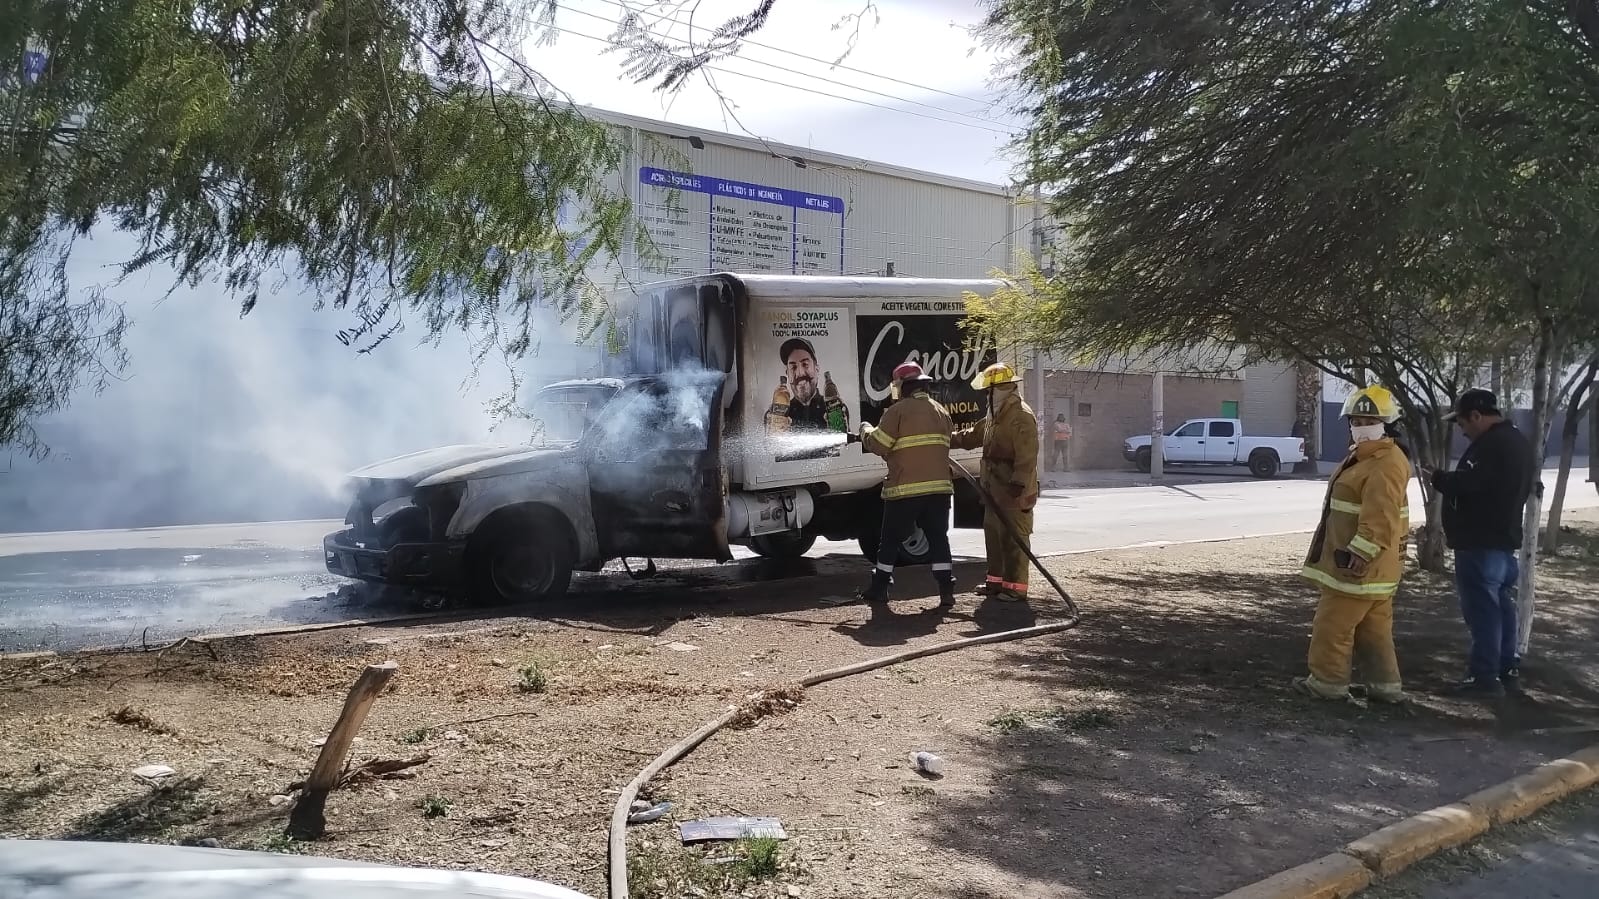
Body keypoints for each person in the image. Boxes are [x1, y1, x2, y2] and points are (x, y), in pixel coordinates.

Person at [1294, 386, 1413, 703]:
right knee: (1375, 631)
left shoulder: (1385, 463)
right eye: (1356, 420)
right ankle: (1385, 689)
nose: (1361, 427)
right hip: (1376, 570)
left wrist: (1361, 552)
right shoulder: (1367, 457)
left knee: (1332, 627)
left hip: (1358, 569)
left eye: (1369, 420)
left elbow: (1381, 515)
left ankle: (1326, 684)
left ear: (1386, 423)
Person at [1424, 388, 1537, 697]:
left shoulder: (1491, 445)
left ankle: (1484, 677)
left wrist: (1439, 479)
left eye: (1463, 423)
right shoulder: (1517, 442)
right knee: (1501, 607)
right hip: (1502, 541)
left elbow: (1471, 484)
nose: (1462, 431)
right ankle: (1505, 667)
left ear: (1476, 415)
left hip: (1480, 543)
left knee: (1483, 612)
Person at [857, 362, 957, 608]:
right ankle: (946, 591)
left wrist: (865, 431)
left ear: (902, 387)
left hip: (905, 491)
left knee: (889, 541)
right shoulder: (941, 412)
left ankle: (880, 588)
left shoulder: (897, 411)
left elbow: (879, 445)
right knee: (938, 539)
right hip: (939, 492)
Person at [953, 362, 1039, 602]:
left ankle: (1015, 588)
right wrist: (943, 439)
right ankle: (996, 582)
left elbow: (1027, 455)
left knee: (1014, 539)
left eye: (989, 390)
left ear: (1003, 388)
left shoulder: (1020, 416)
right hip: (994, 489)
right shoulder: (995, 415)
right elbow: (972, 436)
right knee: (994, 535)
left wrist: (1018, 483)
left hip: (1014, 491)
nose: (986, 395)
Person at [778, 338, 829, 431]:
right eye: (793, 367)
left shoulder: (832, 409)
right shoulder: (780, 415)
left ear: (816, 369)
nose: (800, 373)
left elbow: (843, 444)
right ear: (787, 374)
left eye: (805, 364)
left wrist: (840, 431)